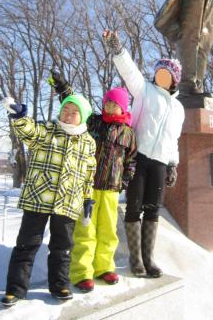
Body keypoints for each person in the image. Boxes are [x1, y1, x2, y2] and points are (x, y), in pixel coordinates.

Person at [0, 93, 97, 308]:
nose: (68, 115)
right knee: (26, 245)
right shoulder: (47, 130)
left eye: (74, 112)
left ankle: (60, 285)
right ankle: (15, 289)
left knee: (62, 247)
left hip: (69, 202)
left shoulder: (89, 142)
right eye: (65, 111)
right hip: (38, 198)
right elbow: (29, 132)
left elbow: (89, 173)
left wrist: (88, 198)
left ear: (83, 116)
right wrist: (19, 117)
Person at [103, 30, 184, 278]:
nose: (161, 77)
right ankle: (135, 259)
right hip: (138, 158)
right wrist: (117, 47)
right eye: (158, 73)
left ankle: (149, 259)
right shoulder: (144, 91)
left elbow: (174, 140)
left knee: (152, 209)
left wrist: (173, 164)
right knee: (133, 208)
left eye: (166, 75)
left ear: (174, 80)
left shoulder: (179, 108)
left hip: (160, 163)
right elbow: (129, 72)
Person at [48, 72, 136, 292]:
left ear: (123, 107)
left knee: (108, 230)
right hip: (88, 187)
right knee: (85, 229)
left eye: (114, 104)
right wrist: (64, 90)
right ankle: (81, 272)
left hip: (112, 190)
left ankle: (104, 267)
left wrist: (126, 179)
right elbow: (76, 108)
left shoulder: (128, 133)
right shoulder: (94, 122)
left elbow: (131, 160)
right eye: (107, 102)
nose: (109, 107)